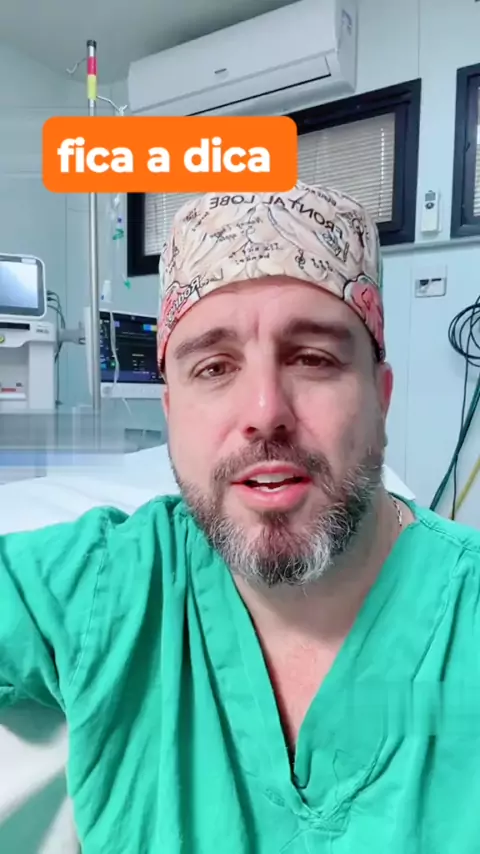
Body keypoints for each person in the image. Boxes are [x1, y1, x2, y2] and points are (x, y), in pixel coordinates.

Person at [0, 180, 479, 854]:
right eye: (214, 367)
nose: (265, 411)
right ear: (170, 413)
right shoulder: (109, 587)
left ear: (381, 398)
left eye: (312, 358)